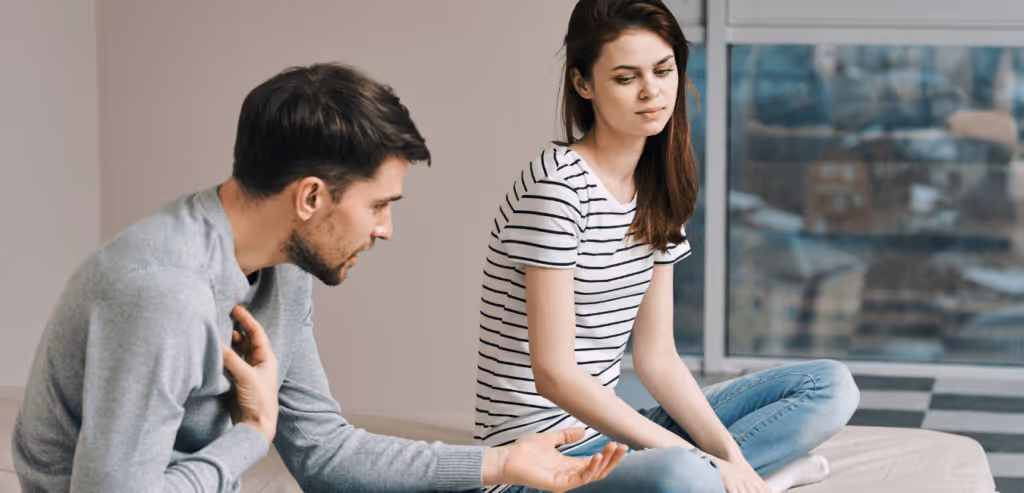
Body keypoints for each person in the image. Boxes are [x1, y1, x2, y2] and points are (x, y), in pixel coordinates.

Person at [12, 62, 627, 493]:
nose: (386, 230)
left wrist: (500, 463)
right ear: (310, 197)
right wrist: (252, 434)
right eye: (378, 206)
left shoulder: (282, 265)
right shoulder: (163, 292)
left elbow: (324, 452)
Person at [473, 1, 860, 492]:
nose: (651, 91)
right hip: (535, 464)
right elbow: (555, 374)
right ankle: (756, 479)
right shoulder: (557, 187)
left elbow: (657, 357)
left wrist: (729, 456)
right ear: (583, 84)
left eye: (663, 70)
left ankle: (741, 480)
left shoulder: (657, 189)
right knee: (678, 472)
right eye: (625, 77)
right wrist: (689, 456)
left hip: (605, 437)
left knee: (830, 387)